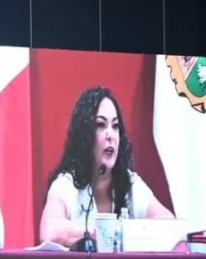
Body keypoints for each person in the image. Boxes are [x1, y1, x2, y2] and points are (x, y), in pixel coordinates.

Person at [40, 87, 173, 247]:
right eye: (101, 125)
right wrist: (101, 232)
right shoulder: (68, 183)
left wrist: (124, 231)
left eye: (115, 126)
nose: (110, 135)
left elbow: (169, 224)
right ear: (85, 136)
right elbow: (49, 231)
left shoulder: (130, 183)